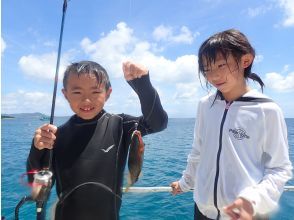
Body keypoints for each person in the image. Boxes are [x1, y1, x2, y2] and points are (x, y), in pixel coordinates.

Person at [171, 29, 292, 220]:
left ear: (246, 60)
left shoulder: (267, 109)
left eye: (221, 65)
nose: (213, 75)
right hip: (203, 211)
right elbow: (198, 152)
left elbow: (280, 168)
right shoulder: (205, 105)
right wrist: (185, 183)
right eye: (207, 69)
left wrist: (253, 200)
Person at [27, 60, 168, 220]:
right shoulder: (56, 137)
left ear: (108, 93)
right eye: (77, 92)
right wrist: (37, 150)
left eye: (95, 92)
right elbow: (37, 188)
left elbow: (158, 123)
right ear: (65, 94)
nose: (86, 100)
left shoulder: (120, 125)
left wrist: (143, 85)